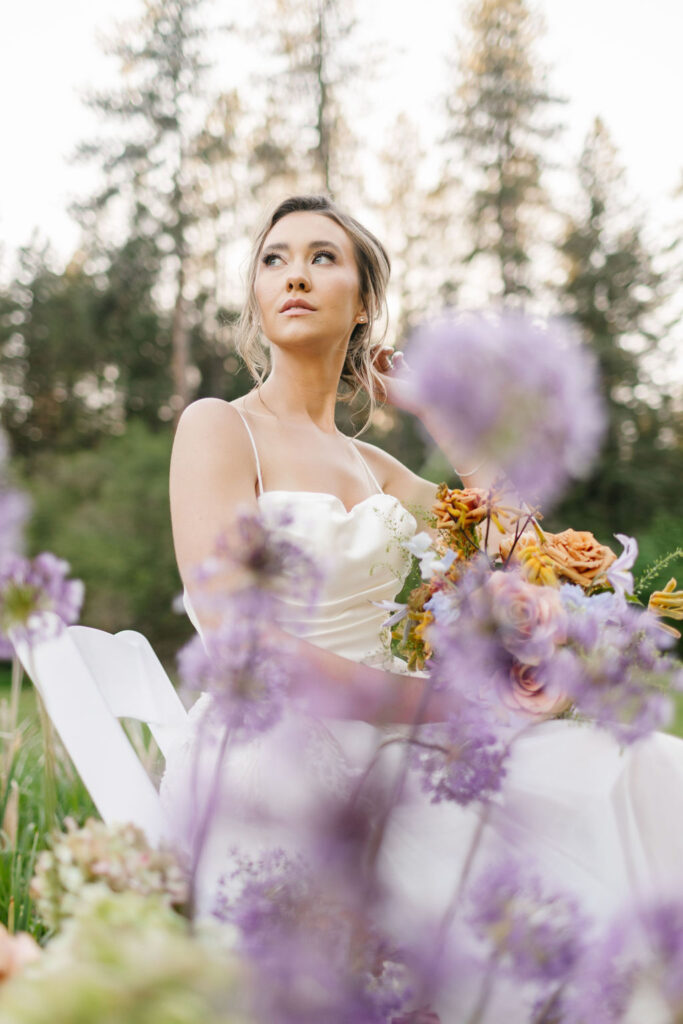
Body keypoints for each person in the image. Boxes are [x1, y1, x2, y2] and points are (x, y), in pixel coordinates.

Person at [161, 194, 683, 1022]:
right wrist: (438, 702)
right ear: (256, 298)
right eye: (274, 259)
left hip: (397, 729)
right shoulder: (220, 428)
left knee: (643, 762)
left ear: (364, 301)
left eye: (323, 257)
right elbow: (234, 631)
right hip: (276, 740)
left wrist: (438, 415)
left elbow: (518, 540)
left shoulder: (374, 467)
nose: (295, 272)